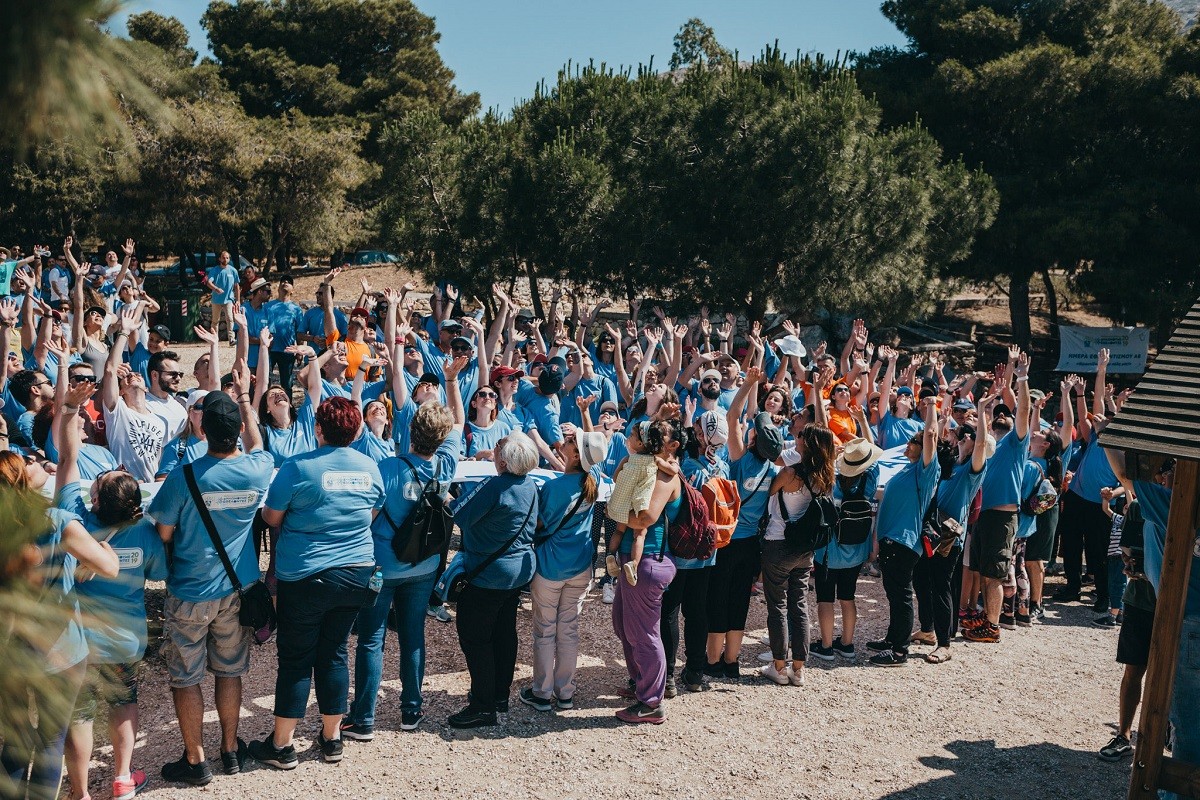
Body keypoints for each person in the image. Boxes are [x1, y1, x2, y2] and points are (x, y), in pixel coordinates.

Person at [148, 367, 273, 786]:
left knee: (186, 677)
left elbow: (163, 531)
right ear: (236, 429)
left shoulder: (184, 477)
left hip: (189, 590)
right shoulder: (259, 469)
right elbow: (257, 442)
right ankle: (231, 749)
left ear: (203, 431)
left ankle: (195, 759)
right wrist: (244, 402)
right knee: (230, 672)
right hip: (237, 590)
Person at [250, 397, 385, 767]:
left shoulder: (298, 467)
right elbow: (372, 511)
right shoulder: (369, 466)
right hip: (357, 572)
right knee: (335, 653)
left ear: (319, 429)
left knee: (296, 658)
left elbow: (272, 518)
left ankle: (281, 745)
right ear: (357, 430)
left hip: (307, 575)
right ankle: (331, 738)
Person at [56, 378, 168, 800]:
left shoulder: (75, 516)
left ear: (96, 501)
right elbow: (160, 574)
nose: (96, 478)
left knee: (81, 713)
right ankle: (122, 777)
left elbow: (68, 457)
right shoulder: (144, 533)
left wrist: (69, 412)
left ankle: (81, 791)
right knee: (124, 701)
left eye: (99, 481)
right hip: (124, 638)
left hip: (79, 640)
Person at [0, 452, 119, 800]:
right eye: (29, 461)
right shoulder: (57, 521)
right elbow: (108, 568)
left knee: (16, 741)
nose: (37, 462)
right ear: (23, 478)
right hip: (60, 648)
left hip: (11, 649)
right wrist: (103, 551)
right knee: (52, 740)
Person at [343, 401, 463, 738]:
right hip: (423, 565)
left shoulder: (387, 468)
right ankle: (411, 709)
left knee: (371, 639)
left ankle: (364, 717)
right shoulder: (446, 464)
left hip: (383, 565)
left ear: (410, 431)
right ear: (441, 439)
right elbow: (453, 433)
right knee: (413, 636)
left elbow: (369, 515)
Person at [447, 432, 539, 729]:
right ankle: (499, 695)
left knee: (475, 637)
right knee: (504, 632)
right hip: (518, 571)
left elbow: (458, 513)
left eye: (499, 446)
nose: (495, 449)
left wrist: (445, 495)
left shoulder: (494, 485)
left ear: (504, 458)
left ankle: (482, 705)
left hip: (489, 572)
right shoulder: (530, 486)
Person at [518, 429, 607, 712]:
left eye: (570, 443)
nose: (565, 443)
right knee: (569, 631)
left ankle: (542, 692)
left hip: (551, 566)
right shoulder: (595, 481)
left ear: (576, 455)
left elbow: (539, 524)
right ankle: (565, 692)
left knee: (545, 631)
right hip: (580, 565)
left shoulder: (554, 488)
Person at [708, 368, 781, 680]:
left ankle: (712, 662)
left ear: (754, 437)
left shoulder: (739, 458)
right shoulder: (775, 473)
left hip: (727, 540)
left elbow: (732, 414)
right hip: (753, 545)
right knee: (739, 601)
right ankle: (732, 662)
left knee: (718, 600)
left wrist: (749, 384)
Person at [612, 418, 684, 723]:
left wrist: (616, 511)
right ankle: (642, 683)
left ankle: (652, 701)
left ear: (672, 446)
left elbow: (644, 519)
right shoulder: (644, 466)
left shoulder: (667, 477)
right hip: (634, 560)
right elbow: (617, 479)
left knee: (643, 633)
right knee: (623, 625)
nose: (649, 438)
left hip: (649, 560)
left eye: (658, 436)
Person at [758, 423, 837, 686]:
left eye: (802, 436)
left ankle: (779, 667)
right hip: (806, 551)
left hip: (779, 543)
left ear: (808, 443)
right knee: (799, 607)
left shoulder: (789, 474)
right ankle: (799, 669)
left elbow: (765, 497)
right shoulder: (826, 476)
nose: (798, 439)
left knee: (777, 607)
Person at [962, 351, 1032, 644]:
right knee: (982, 570)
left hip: (1003, 517)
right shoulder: (989, 446)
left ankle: (992, 626)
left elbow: (1024, 410)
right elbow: (982, 421)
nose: (1002, 414)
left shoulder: (1016, 443)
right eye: (998, 412)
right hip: (985, 516)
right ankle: (986, 616)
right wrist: (995, 394)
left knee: (994, 575)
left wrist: (1022, 377)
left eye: (1007, 411)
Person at [914, 397, 989, 664]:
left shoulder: (973, 469)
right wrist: (944, 421)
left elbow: (981, 443)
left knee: (941, 586)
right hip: (932, 529)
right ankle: (927, 630)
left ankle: (945, 644)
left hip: (948, 536)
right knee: (921, 579)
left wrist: (980, 412)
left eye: (963, 436)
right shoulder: (953, 466)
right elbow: (936, 442)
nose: (960, 438)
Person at [868, 394, 938, 666]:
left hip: (904, 542)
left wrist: (931, 406)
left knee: (901, 596)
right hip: (891, 541)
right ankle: (892, 638)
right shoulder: (907, 470)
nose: (908, 445)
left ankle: (899, 651)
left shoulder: (926, 471)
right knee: (894, 594)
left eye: (914, 442)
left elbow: (931, 434)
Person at [810, 436, 882, 662]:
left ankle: (826, 645)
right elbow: (873, 459)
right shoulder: (870, 480)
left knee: (825, 598)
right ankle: (847, 644)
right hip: (857, 550)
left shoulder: (832, 480)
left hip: (830, 551)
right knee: (848, 597)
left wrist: (834, 456)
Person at [101, 307, 167, 483]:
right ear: (120, 391)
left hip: (151, 487)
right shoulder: (118, 412)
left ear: (147, 388)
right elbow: (109, 371)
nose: (133, 375)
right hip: (124, 485)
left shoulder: (159, 422)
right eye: (127, 377)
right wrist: (124, 332)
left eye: (137, 375)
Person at [605, 420, 660, 586]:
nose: (628, 437)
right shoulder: (654, 461)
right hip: (639, 505)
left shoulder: (628, 459)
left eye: (631, 435)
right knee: (639, 535)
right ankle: (634, 563)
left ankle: (610, 553)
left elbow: (615, 477)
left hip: (623, 503)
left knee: (619, 531)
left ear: (640, 442)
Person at [202, 252, 238, 344]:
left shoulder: (233, 271)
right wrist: (216, 289)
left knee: (230, 318)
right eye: (223, 258)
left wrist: (237, 300)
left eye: (227, 258)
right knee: (215, 320)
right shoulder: (215, 270)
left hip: (229, 299)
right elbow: (209, 283)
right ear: (219, 259)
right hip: (216, 300)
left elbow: (237, 286)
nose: (225, 259)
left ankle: (231, 339)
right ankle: (214, 338)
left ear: (229, 259)